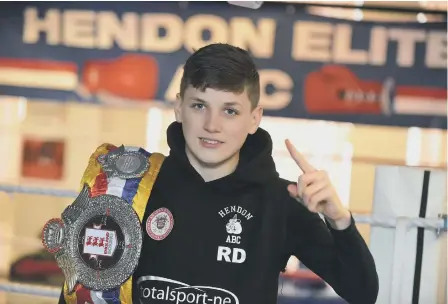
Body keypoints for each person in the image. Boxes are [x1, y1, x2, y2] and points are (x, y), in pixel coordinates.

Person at [58, 43, 378, 304]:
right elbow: (81, 289)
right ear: (179, 107)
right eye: (199, 106)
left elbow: (362, 293)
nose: (213, 125)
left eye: (230, 110)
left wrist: (339, 220)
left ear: (254, 119)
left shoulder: (281, 203)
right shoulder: (132, 184)